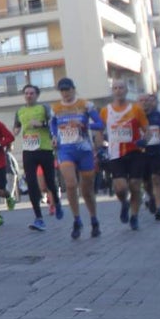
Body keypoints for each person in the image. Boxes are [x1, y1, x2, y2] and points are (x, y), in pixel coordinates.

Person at [50, 77, 105, 240]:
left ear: (74, 89)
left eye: (68, 89)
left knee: (87, 190)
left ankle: (94, 220)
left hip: (84, 150)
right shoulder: (56, 108)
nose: (65, 93)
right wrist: (54, 136)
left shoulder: (85, 105)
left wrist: (84, 125)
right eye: (62, 90)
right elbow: (52, 124)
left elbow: (100, 124)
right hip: (66, 150)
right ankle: (77, 219)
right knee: (71, 184)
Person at [99, 81, 149, 231]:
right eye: (115, 88)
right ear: (112, 91)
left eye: (121, 88)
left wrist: (144, 140)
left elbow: (147, 130)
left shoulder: (136, 109)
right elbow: (99, 129)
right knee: (120, 188)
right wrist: (100, 144)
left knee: (135, 186)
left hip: (135, 152)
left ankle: (134, 216)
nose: (118, 91)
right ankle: (124, 203)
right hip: (115, 154)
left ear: (126, 90)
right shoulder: (105, 110)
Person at [13, 84, 62, 231]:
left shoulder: (44, 108)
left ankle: (57, 204)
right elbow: (16, 127)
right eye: (26, 93)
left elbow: (55, 124)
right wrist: (14, 132)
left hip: (45, 149)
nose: (29, 95)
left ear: (37, 95)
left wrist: (41, 124)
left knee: (49, 182)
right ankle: (38, 218)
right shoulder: (20, 111)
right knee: (32, 183)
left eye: (32, 93)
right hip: (28, 150)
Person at [138, 93, 160, 221]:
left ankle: (159, 209)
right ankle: (151, 196)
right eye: (142, 100)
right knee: (146, 182)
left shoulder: (158, 116)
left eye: (147, 100)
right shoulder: (135, 116)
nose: (145, 102)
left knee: (157, 178)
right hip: (141, 153)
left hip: (157, 152)